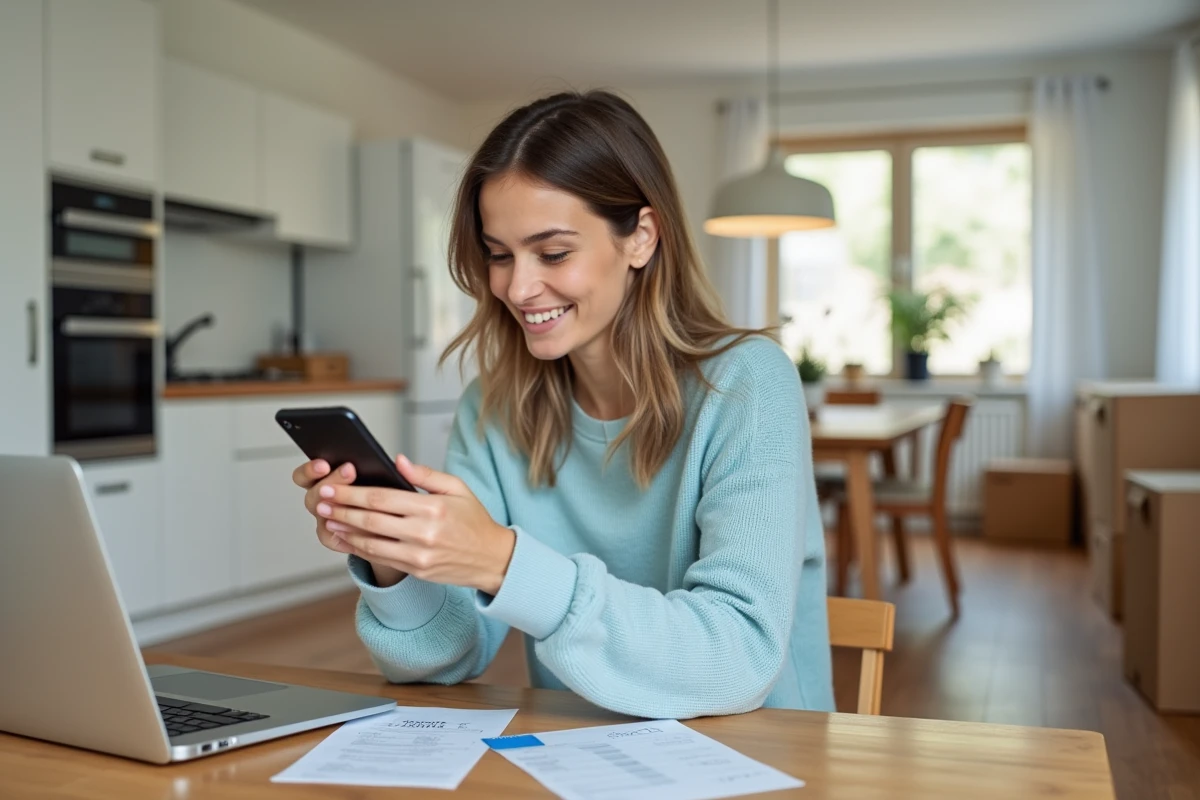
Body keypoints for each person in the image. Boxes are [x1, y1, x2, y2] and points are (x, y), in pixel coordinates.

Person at [292, 90, 834, 719]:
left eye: (552, 253)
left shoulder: (746, 384)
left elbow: (739, 658)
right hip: (574, 753)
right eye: (498, 254)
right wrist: (396, 561)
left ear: (641, 238)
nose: (517, 288)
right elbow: (447, 653)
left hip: (757, 752)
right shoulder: (492, 409)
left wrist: (503, 561)